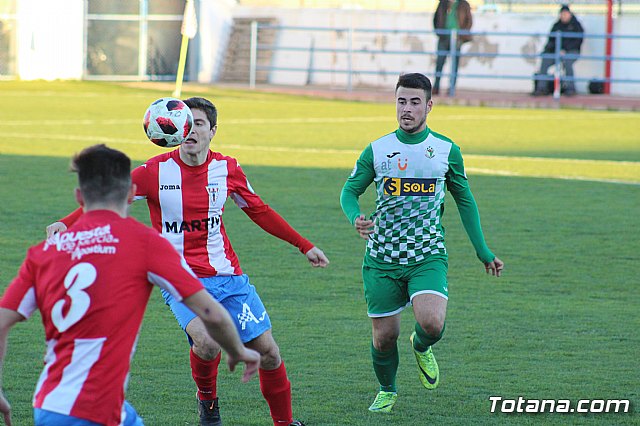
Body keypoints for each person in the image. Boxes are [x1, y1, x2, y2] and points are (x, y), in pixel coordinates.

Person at [46, 97, 329, 426]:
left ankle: (284, 423)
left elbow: (259, 211)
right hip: (178, 279)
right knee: (207, 343)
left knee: (268, 351)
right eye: (184, 123)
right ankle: (208, 403)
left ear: (213, 131)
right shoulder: (154, 171)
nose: (190, 129)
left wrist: (303, 245)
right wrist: (66, 223)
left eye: (198, 124)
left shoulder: (227, 169)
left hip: (228, 277)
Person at [0, 145, 260, 426]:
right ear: (129, 194)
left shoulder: (43, 253)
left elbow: (2, 321)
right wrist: (238, 351)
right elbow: (211, 313)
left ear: (79, 196)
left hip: (49, 405)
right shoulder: (145, 244)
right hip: (98, 411)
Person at [340, 73, 503, 413]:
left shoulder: (445, 151)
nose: (407, 109)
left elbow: (465, 200)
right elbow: (350, 191)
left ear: (429, 105)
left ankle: (421, 344)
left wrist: (483, 252)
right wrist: (355, 216)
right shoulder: (378, 149)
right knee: (384, 337)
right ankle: (387, 389)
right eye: (402, 101)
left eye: (415, 102)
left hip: (426, 253)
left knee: (432, 323)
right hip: (382, 257)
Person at [533, 4, 584, 96]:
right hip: (556, 52)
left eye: (566, 14)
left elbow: (578, 41)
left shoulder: (576, 26)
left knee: (567, 62)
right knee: (545, 61)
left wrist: (566, 50)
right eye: (562, 14)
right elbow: (551, 41)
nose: (564, 16)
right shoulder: (556, 25)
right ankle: (541, 88)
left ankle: (570, 88)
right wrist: (554, 50)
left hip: (571, 51)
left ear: (570, 14)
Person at [432, 0, 473, 96]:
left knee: (454, 65)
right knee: (439, 63)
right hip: (443, 38)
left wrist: (462, 35)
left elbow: (469, 21)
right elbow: (435, 19)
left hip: (457, 39)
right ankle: (436, 87)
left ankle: (451, 88)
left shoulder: (464, 4)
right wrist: (439, 32)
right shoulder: (442, 3)